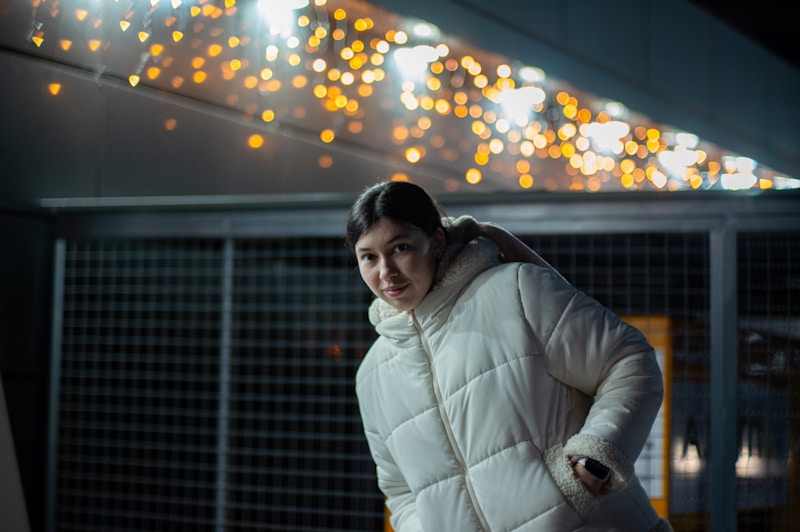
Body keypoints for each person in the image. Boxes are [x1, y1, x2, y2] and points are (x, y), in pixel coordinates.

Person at [345, 180, 672, 532]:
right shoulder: (372, 375)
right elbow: (401, 491)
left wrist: (593, 464)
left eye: (401, 248)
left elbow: (629, 363)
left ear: (436, 243)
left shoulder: (516, 291)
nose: (386, 272)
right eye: (369, 257)